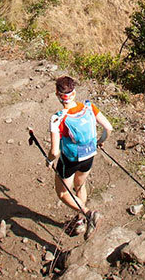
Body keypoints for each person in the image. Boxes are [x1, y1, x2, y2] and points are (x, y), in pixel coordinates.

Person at [48, 75, 113, 239]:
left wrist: (49, 160)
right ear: (74, 93)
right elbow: (109, 127)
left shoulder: (58, 118)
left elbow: (55, 151)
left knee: (63, 193)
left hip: (70, 160)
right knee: (80, 186)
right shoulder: (89, 107)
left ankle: (88, 213)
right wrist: (100, 141)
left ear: (57, 94)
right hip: (89, 155)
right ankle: (80, 221)